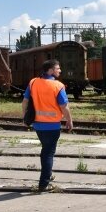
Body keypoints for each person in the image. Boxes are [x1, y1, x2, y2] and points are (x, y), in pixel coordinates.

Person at [21, 59, 74, 191]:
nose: (60, 70)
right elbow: (64, 106)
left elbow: (25, 102)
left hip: (38, 125)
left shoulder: (33, 82)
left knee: (46, 150)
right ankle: (44, 183)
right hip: (52, 126)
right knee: (48, 153)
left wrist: (24, 117)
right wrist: (69, 120)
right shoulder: (58, 86)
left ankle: (47, 176)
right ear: (51, 70)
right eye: (58, 68)